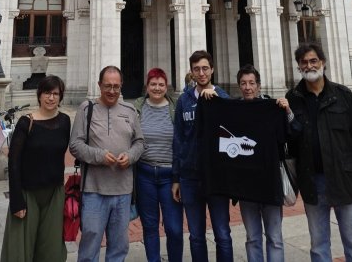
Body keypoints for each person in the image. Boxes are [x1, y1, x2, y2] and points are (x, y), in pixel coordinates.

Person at [286, 43, 352, 262]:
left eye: (313, 60)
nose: (309, 65)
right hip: (312, 181)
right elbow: (290, 141)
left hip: (344, 179)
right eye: (304, 62)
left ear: (322, 62)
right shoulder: (293, 98)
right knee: (318, 244)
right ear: (298, 67)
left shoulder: (343, 95)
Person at [69, 65, 145, 262]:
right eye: (107, 86)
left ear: (121, 87)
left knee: (119, 245)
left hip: (123, 190)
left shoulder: (129, 110)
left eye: (116, 87)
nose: (112, 91)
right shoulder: (87, 109)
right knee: (90, 241)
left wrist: (130, 156)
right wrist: (99, 156)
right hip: (94, 189)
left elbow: (140, 142)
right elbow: (75, 145)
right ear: (99, 85)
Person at [1, 75, 71, 262]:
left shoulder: (64, 121)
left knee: (51, 248)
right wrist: (16, 200)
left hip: (54, 192)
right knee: (21, 249)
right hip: (27, 193)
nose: (51, 98)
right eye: (47, 93)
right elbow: (14, 163)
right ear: (39, 95)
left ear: (61, 97)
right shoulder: (26, 122)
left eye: (56, 94)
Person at [172, 50, 233, 262]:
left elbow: (232, 133)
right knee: (196, 236)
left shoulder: (223, 98)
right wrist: (176, 178)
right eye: (197, 69)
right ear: (191, 72)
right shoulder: (184, 100)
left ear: (212, 70)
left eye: (205, 68)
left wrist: (216, 103)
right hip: (190, 177)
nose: (201, 73)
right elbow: (178, 140)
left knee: (222, 234)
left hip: (216, 177)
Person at [236, 64, 293, 262]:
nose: (248, 87)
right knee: (252, 237)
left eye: (252, 83)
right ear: (239, 86)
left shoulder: (271, 108)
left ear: (259, 86)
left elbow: (290, 133)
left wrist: (286, 111)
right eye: (243, 83)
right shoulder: (234, 110)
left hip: (270, 181)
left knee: (275, 237)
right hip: (246, 185)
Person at [134, 68, 183, 262]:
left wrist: (178, 177)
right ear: (147, 86)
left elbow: (182, 143)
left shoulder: (176, 108)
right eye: (153, 84)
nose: (157, 88)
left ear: (167, 87)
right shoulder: (137, 108)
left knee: (175, 228)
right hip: (144, 174)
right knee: (150, 226)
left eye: (161, 84)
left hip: (170, 177)